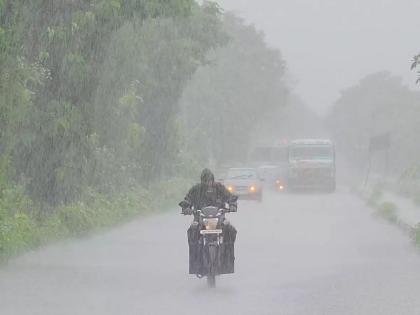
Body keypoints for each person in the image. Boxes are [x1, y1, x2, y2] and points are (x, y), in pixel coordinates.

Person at [179, 168, 238, 275]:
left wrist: (232, 205)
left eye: (210, 180)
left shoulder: (219, 188)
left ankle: (227, 262)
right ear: (202, 181)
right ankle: (195, 264)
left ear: (213, 180)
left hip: (219, 218)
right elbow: (187, 200)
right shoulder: (196, 189)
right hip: (200, 219)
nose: (208, 183)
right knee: (192, 231)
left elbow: (230, 197)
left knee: (230, 230)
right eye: (206, 180)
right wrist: (186, 208)